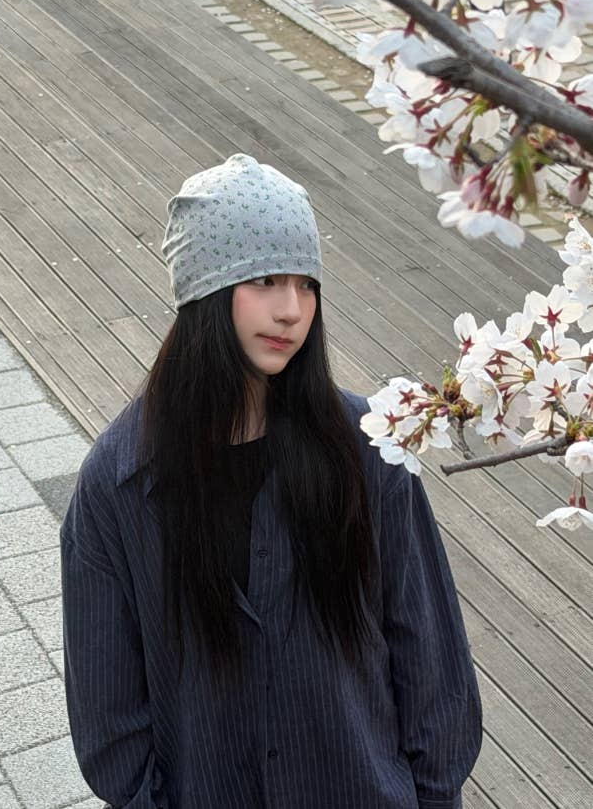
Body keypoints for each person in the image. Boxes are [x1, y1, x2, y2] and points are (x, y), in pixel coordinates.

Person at [61, 153, 483, 809]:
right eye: (263, 279)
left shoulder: (371, 451)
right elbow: (108, 718)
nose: (292, 310)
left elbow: (432, 669)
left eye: (306, 284)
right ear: (203, 289)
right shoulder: (117, 485)